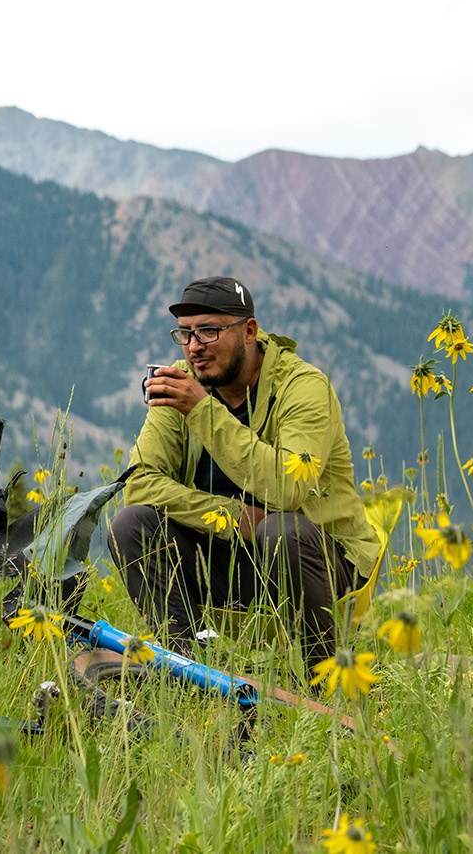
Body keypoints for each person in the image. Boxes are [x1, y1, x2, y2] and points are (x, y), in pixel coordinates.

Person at [108, 276, 380, 670]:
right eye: (184, 334)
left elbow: (287, 490)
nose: (194, 347)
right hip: (231, 556)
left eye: (209, 331)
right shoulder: (183, 381)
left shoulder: (303, 387)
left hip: (318, 561)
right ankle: (189, 671)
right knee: (131, 525)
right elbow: (139, 483)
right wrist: (231, 518)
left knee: (279, 531)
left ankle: (322, 680)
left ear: (249, 331)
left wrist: (202, 409)